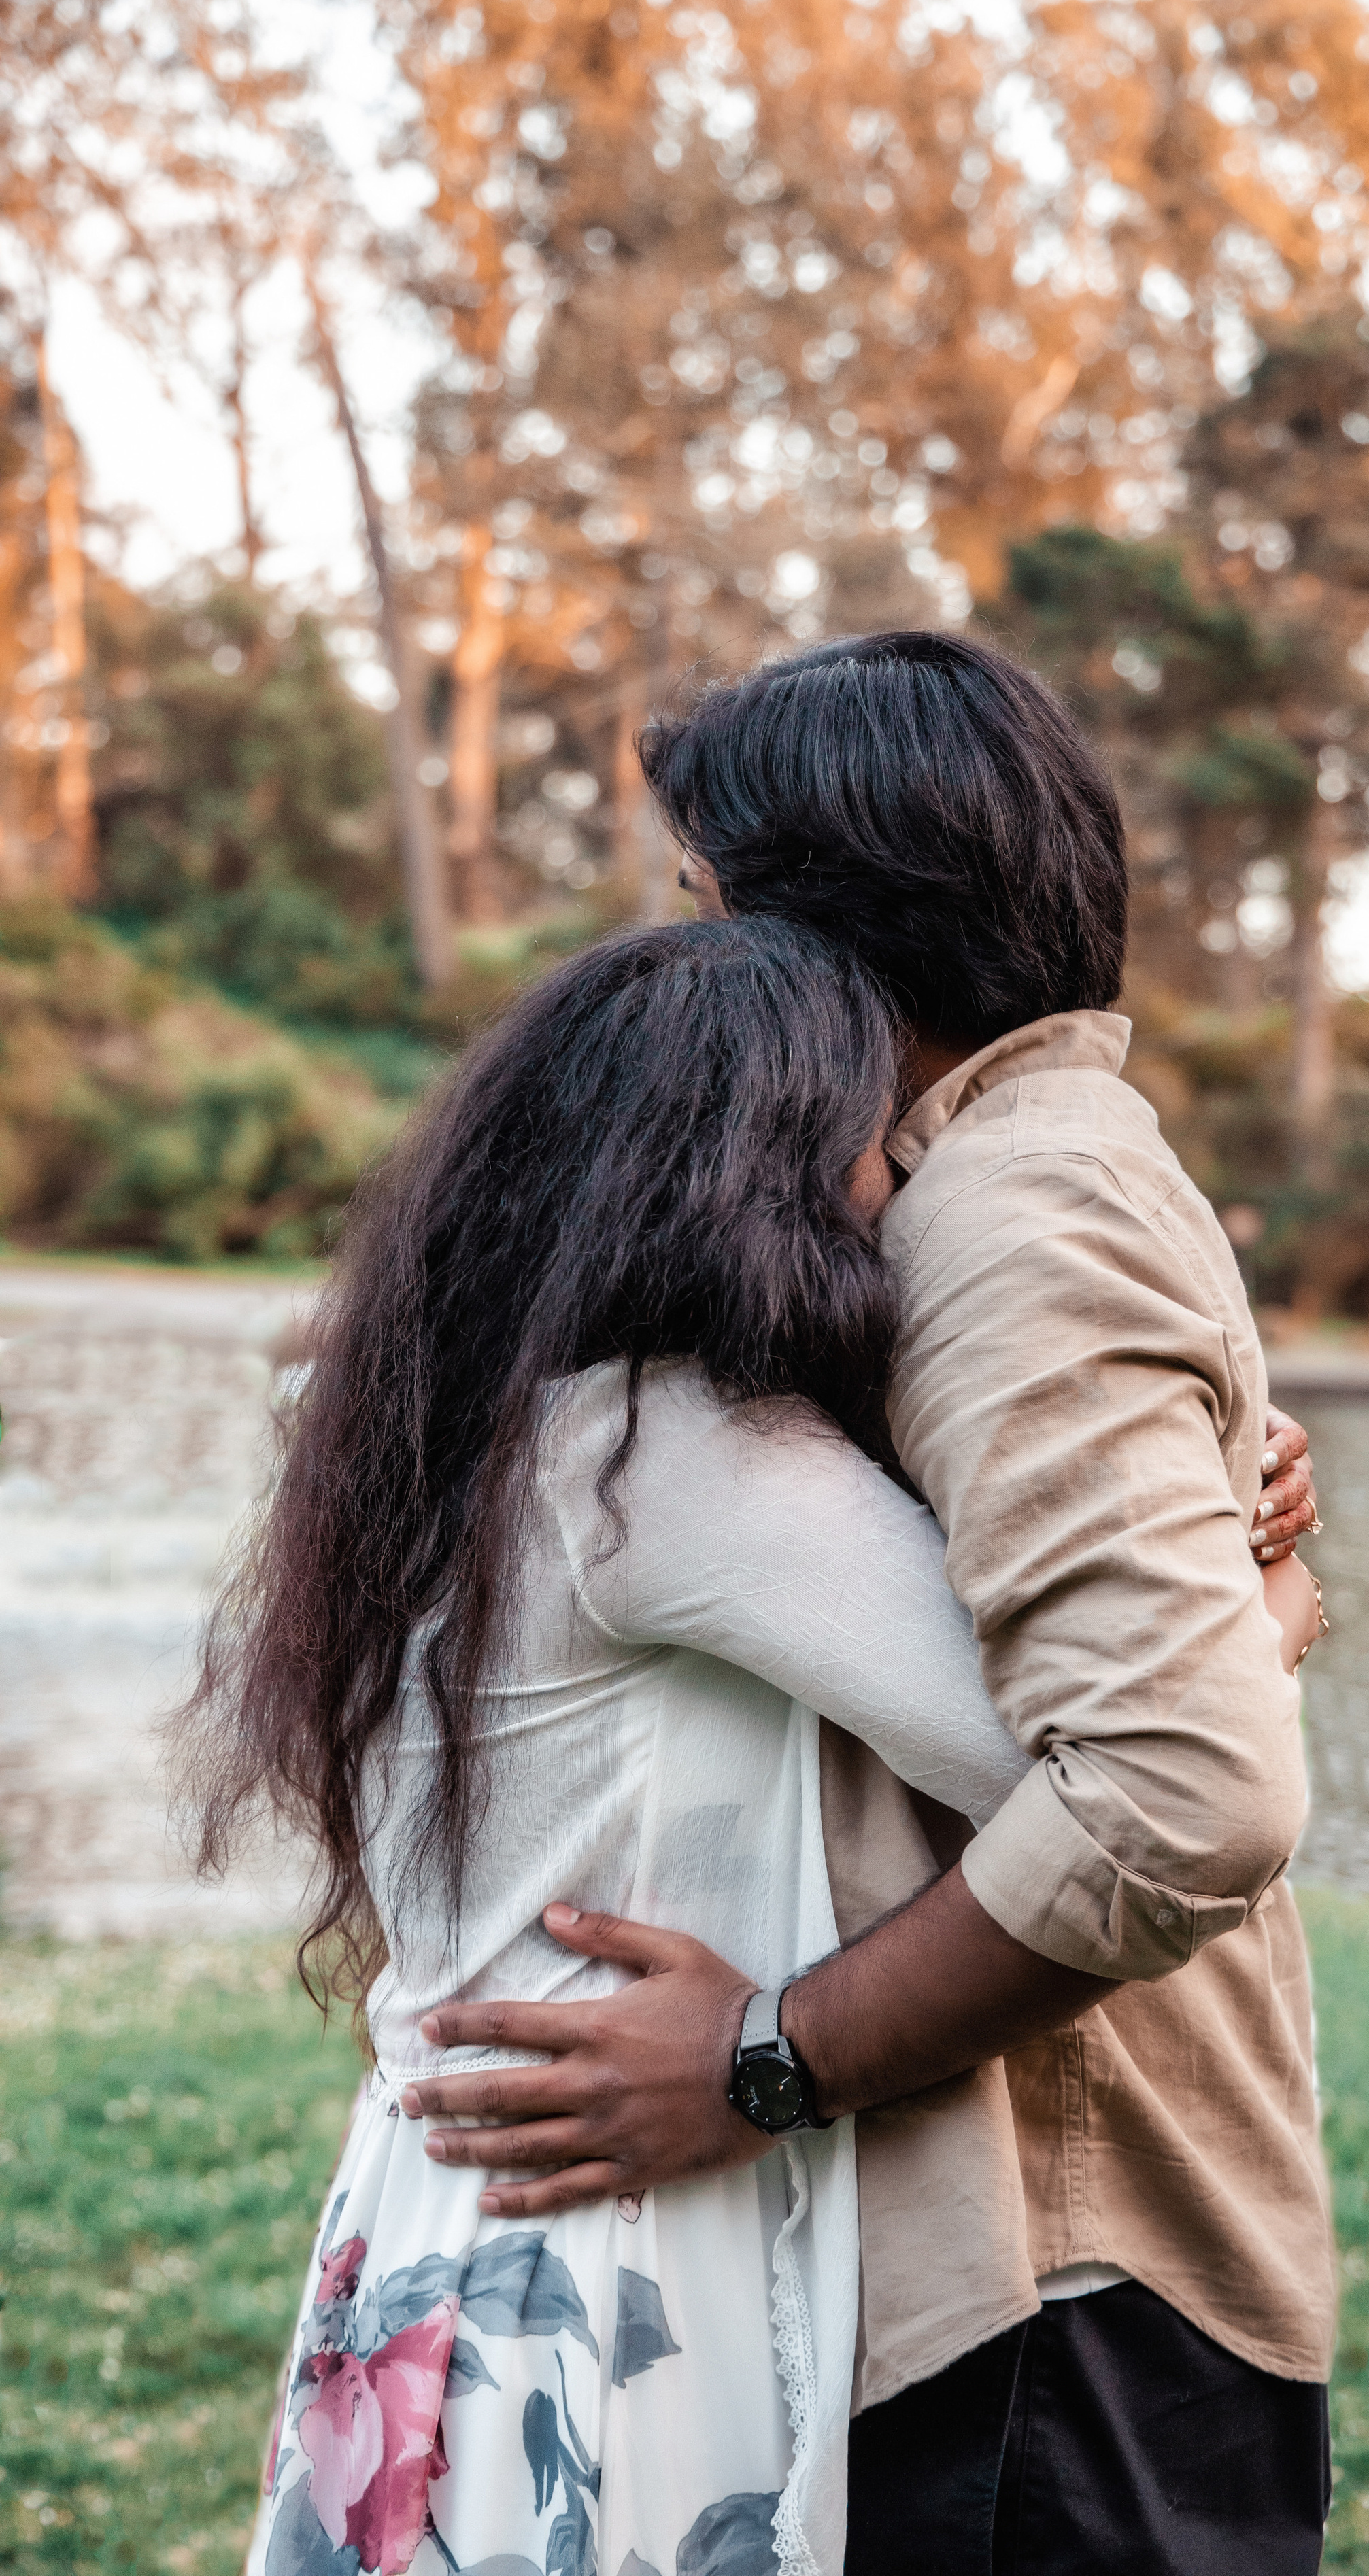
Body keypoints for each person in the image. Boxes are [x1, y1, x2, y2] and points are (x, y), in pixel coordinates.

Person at [397, 633, 1340, 2574]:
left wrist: (772, 2054)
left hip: (1058, 2286)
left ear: (847, 931)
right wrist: (1265, 1587)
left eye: (715, 899)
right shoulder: (966, 1193)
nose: (700, 953)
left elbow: (1180, 1788)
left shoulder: (1014, 1217)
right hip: (1004, 2282)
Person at [178, 918, 1105, 2576]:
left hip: (423, 2204)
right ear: (759, 1170)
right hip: (614, 2238)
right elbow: (1074, 1762)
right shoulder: (658, 1451)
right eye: (871, 1141)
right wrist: (1261, 1581)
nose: (898, 1184)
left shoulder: (440, 1413)